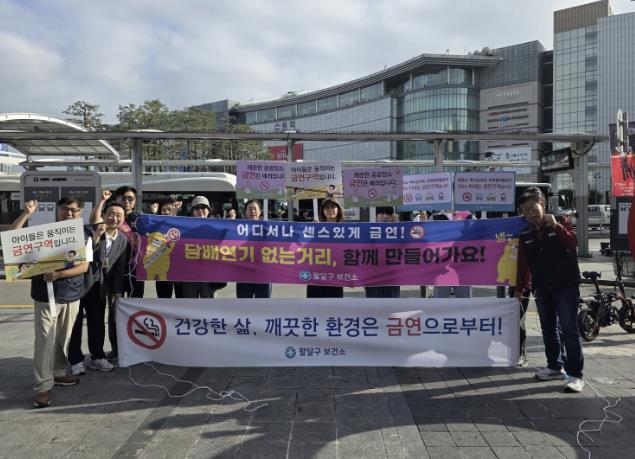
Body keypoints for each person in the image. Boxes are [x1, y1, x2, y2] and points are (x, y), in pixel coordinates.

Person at [11, 198, 91, 408]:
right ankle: (43, 387)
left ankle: (58, 372)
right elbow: (13, 238)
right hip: (44, 297)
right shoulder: (44, 232)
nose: (69, 213)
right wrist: (26, 214)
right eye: (65, 209)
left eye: (74, 210)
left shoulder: (84, 235)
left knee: (63, 340)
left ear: (80, 213)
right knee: (44, 341)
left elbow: (83, 267)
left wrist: (58, 274)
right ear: (58, 211)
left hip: (71, 295)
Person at [516, 187, 584, 393]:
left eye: (532, 208)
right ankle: (554, 366)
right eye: (525, 210)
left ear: (542, 205)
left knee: (569, 330)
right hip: (542, 287)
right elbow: (523, 264)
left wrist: (557, 226)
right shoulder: (525, 233)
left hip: (566, 286)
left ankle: (575, 375)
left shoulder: (561, 222)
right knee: (548, 328)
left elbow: (572, 243)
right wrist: (520, 288)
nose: (529, 213)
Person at [68, 202, 129, 375]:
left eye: (118, 215)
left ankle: (97, 357)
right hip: (79, 284)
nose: (114, 218)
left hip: (100, 287)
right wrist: (95, 238)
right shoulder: (88, 231)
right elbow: (79, 257)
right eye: (111, 213)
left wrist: (117, 291)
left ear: (123, 219)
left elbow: (119, 268)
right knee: (75, 324)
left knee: (97, 323)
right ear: (103, 215)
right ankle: (76, 360)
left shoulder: (122, 239)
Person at [181, 196, 223, 298]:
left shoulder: (217, 227)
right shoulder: (184, 227)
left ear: (208, 210)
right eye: (197, 208)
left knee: (208, 304)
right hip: (189, 274)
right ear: (192, 211)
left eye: (203, 207)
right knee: (190, 303)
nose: (200, 210)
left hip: (209, 274)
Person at [307, 199, 344, 298]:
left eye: (333, 207)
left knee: (334, 302)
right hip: (316, 271)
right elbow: (298, 245)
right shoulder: (315, 227)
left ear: (338, 209)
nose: (330, 210)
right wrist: (310, 230)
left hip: (335, 272)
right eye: (327, 207)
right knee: (314, 301)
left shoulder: (346, 229)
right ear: (322, 210)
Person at [236, 200, 272, 298]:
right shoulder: (237, 229)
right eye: (250, 209)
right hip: (243, 273)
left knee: (263, 304)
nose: (252, 211)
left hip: (263, 273)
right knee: (244, 303)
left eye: (255, 209)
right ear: (245, 212)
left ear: (260, 212)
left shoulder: (268, 228)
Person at [365, 207, 400, 298]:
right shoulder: (368, 230)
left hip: (392, 277)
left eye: (388, 213)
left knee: (392, 304)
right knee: (374, 304)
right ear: (376, 215)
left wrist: (397, 226)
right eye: (381, 213)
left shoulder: (398, 231)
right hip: (373, 277)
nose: (385, 216)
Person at [154, 198, 183, 299]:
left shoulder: (183, 224)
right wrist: (154, 215)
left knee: (181, 299)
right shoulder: (156, 226)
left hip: (180, 269)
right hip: (162, 269)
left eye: (169, 209)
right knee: (163, 299)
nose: (166, 212)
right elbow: (153, 243)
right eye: (163, 210)